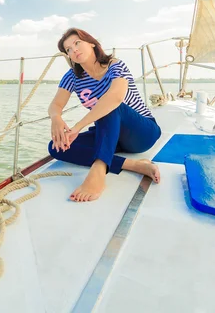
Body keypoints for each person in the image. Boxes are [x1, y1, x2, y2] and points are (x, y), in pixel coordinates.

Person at [48, 28, 162, 202]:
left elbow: (115, 98)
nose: (74, 50)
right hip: (111, 134)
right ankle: (135, 165)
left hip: (142, 132)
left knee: (108, 105)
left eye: (77, 43)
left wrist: (77, 127)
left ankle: (99, 170)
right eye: (68, 49)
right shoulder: (72, 76)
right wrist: (56, 117)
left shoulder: (115, 65)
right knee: (57, 146)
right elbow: (56, 104)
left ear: (92, 43)